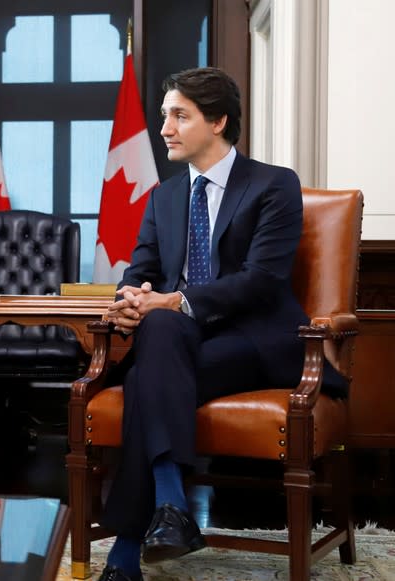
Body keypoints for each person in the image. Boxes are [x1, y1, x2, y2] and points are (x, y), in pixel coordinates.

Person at [96, 67, 347, 581]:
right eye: (165, 114)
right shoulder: (163, 197)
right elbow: (140, 274)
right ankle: (171, 510)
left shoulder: (274, 184)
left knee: (147, 376)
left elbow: (262, 281)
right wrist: (129, 302)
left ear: (218, 121)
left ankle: (128, 547)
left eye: (179, 116)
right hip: (182, 339)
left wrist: (173, 302)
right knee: (159, 333)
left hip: (255, 339)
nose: (164, 127)